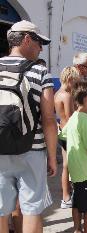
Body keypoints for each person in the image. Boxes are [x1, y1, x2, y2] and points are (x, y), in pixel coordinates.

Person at [0, 20, 57, 232]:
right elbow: (49, 119)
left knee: (1, 211)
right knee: (32, 209)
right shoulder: (40, 73)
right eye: (39, 42)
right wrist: (52, 157)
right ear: (26, 39)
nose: (41, 47)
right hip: (31, 151)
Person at [59, 80, 87, 233]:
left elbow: (62, 135)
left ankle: (77, 229)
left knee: (77, 202)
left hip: (75, 171)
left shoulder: (74, 117)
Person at [54, 66, 80, 208]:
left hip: (62, 132)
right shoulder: (67, 95)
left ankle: (66, 196)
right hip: (69, 134)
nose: (76, 85)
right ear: (70, 79)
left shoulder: (57, 93)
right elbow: (71, 118)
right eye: (75, 82)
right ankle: (66, 196)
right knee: (68, 166)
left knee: (66, 165)